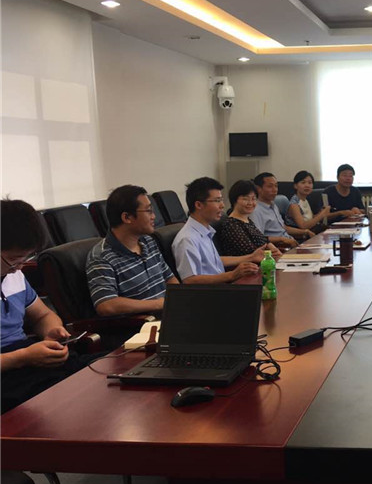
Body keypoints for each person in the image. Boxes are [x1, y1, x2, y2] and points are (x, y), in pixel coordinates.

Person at [1, 200, 85, 413]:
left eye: (25, 258)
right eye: (14, 259)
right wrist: (23, 357)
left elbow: (42, 315)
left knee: (95, 372)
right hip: (9, 373)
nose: (19, 267)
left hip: (25, 359)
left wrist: (52, 331)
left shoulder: (14, 275)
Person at [86, 185, 179, 316]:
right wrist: (160, 304)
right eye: (148, 211)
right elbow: (106, 305)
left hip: (170, 314)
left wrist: (180, 300)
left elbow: (169, 278)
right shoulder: (101, 257)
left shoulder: (148, 242)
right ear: (127, 217)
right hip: (146, 323)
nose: (154, 216)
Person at [172, 177, 263, 283]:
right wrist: (232, 275)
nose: (222, 205)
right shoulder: (187, 239)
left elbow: (214, 261)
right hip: (214, 291)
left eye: (221, 200)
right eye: (217, 201)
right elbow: (189, 280)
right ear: (198, 205)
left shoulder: (205, 230)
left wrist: (251, 257)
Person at [216, 180, 283, 258]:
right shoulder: (231, 224)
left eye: (254, 199)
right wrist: (271, 254)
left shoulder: (247, 221)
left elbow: (263, 239)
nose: (250, 203)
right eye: (245, 199)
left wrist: (273, 249)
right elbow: (251, 252)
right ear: (234, 200)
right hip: (249, 264)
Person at [251, 172, 308, 245]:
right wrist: (282, 239)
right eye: (270, 186)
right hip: (280, 247)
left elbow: (283, 228)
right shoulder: (255, 210)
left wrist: (305, 232)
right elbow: (259, 239)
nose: (275, 190)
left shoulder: (273, 205)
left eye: (276, 186)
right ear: (258, 189)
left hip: (290, 242)